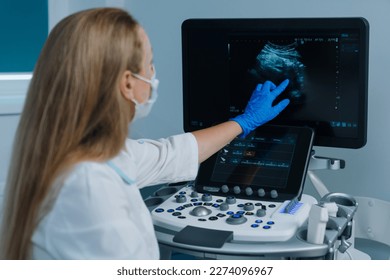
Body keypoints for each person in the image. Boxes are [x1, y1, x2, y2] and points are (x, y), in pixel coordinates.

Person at [0, 8, 290, 260]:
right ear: (128, 84)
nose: (153, 74)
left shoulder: (84, 151)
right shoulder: (87, 186)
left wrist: (244, 121)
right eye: (149, 64)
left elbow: (172, 154)